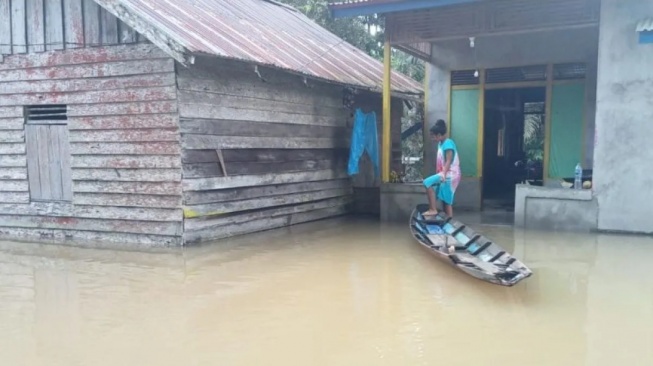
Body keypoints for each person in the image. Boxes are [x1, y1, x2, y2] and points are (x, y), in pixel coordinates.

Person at [422, 119, 461, 217]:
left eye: (433, 136)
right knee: (445, 199)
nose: (432, 138)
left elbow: (448, 160)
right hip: (446, 173)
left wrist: (443, 174)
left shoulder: (448, 143)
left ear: (439, 135)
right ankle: (449, 220)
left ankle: (433, 209)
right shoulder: (441, 144)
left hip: (450, 174)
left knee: (427, 182)